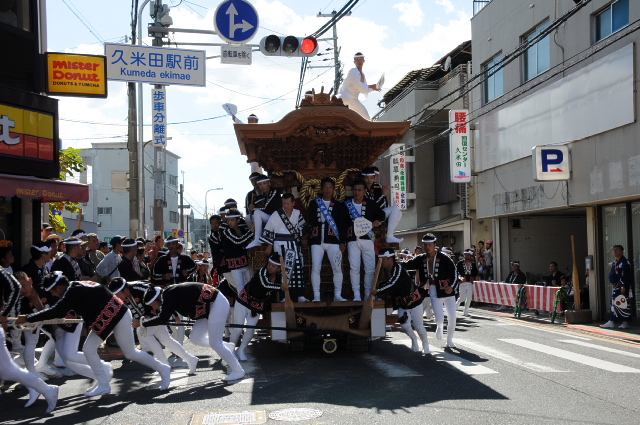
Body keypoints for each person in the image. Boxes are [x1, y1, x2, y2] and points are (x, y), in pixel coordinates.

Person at [16, 273, 172, 396]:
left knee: (130, 352)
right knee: (89, 349)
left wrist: (28, 318)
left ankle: (162, 369)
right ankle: (104, 383)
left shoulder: (73, 290)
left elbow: (57, 311)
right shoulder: (74, 288)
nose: (53, 295)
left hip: (118, 315)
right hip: (108, 317)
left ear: (60, 287)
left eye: (53, 291)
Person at [142, 282, 245, 381]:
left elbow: (163, 318)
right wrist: (175, 315)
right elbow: (169, 308)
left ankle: (238, 370)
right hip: (206, 309)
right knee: (195, 338)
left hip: (216, 304)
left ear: (158, 298)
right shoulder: (167, 294)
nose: (154, 307)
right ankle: (228, 347)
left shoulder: (168, 295)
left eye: (153, 304)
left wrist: (143, 324)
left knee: (215, 343)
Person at [0, 267, 59, 414]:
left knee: (7, 371)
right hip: (30, 320)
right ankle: (38, 381)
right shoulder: (22, 301)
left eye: (24, 285)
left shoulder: (43, 289)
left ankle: (43, 385)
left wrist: (4, 315)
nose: (23, 289)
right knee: (9, 368)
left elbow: (14, 286)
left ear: (30, 281)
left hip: (46, 321)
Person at [108, 278, 198, 373]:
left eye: (117, 294)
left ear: (125, 290)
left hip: (156, 314)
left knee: (145, 334)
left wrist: (174, 314)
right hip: (144, 318)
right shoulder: (124, 297)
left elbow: (161, 298)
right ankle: (190, 359)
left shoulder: (141, 288)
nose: (117, 297)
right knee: (166, 339)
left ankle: (164, 364)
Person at [403, 233, 458, 348]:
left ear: (435, 244)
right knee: (439, 317)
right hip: (433, 289)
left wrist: (452, 287)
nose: (427, 247)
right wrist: (393, 263)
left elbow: (455, 274)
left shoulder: (445, 258)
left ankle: (449, 340)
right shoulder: (421, 258)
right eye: (425, 245)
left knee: (452, 317)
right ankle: (439, 325)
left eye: (430, 244)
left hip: (448, 290)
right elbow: (407, 265)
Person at [373, 248, 430, 354]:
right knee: (404, 326)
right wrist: (380, 285)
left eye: (383, 259)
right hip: (402, 304)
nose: (381, 262)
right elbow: (389, 282)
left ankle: (425, 343)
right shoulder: (387, 270)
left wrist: (378, 291)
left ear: (390, 259)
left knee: (419, 327)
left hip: (414, 301)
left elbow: (393, 283)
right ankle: (414, 339)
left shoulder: (398, 268)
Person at [230, 254, 284, 361]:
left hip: (257, 305)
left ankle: (241, 350)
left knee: (251, 328)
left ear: (278, 269)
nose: (270, 267)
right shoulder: (262, 272)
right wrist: (281, 287)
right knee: (238, 328)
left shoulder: (279, 278)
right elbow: (265, 284)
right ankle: (230, 351)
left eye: (273, 266)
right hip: (244, 301)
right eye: (269, 264)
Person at [307, 178, 349, 302]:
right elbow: (310, 221)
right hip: (316, 240)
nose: (328, 190)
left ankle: (338, 295)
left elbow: (343, 225)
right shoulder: (314, 203)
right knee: (316, 268)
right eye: (325, 187)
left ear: (334, 189)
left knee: (337, 268)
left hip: (334, 241)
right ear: (321, 189)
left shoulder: (338, 205)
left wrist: (343, 242)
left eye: (330, 187)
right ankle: (316, 296)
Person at [262, 193, 308, 302]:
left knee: (297, 269)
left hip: (293, 245)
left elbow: (304, 227)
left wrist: (297, 233)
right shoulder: (276, 214)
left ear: (293, 203)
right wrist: (269, 246)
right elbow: (269, 231)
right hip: (280, 245)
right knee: (283, 269)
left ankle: (300, 295)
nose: (286, 206)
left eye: (288, 203)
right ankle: (284, 296)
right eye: (284, 203)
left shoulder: (297, 213)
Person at [345, 180, 385, 301]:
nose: (357, 192)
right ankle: (356, 294)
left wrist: (377, 221)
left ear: (364, 191)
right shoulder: (346, 205)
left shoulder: (371, 204)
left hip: (368, 240)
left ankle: (369, 294)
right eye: (355, 190)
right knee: (354, 268)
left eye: (360, 190)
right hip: (352, 240)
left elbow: (382, 214)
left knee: (370, 269)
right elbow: (341, 222)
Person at [361, 167, 404, 243]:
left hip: (377, 214)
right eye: (366, 178)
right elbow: (373, 207)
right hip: (368, 215)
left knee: (399, 212)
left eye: (371, 178)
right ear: (363, 178)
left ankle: (388, 232)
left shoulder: (377, 186)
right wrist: (383, 195)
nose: (369, 180)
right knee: (394, 209)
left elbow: (384, 204)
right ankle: (389, 236)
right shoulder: (362, 189)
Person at [219, 208, 254, 293]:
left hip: (246, 264)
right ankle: (242, 302)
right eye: (228, 220)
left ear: (238, 220)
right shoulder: (227, 231)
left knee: (250, 286)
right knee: (241, 289)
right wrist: (251, 231)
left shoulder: (242, 229)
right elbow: (238, 241)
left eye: (232, 220)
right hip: (235, 267)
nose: (229, 222)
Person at [337, 52, 380, 119]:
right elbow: (360, 87)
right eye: (357, 59)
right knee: (340, 117)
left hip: (354, 99)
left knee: (366, 118)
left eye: (361, 59)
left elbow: (364, 89)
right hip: (344, 97)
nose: (359, 61)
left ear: (364, 61)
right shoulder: (353, 71)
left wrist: (373, 88)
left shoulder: (362, 74)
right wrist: (372, 86)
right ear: (354, 61)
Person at [601, 245, 632, 329]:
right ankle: (612, 321)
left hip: (622, 286)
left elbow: (626, 275)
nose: (615, 252)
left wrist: (623, 285)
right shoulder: (615, 262)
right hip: (615, 286)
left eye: (617, 250)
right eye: (614, 250)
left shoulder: (625, 262)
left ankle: (625, 322)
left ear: (622, 251)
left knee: (623, 303)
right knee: (613, 303)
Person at [247, 175, 282, 249]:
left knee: (257, 212)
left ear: (269, 183)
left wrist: (254, 209)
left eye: (264, 183)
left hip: (278, 220)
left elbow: (267, 208)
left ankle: (257, 239)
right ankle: (254, 238)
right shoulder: (265, 195)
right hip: (271, 218)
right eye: (260, 184)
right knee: (249, 217)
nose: (262, 186)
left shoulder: (274, 192)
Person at [456, 249, 478, 317]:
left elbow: (475, 273)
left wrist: (476, 277)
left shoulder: (473, 264)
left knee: (469, 298)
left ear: (470, 256)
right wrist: (460, 278)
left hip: (470, 282)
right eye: (466, 255)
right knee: (462, 297)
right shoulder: (460, 263)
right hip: (462, 282)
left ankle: (466, 311)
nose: (467, 256)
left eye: (468, 255)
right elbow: (456, 272)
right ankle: (457, 303)